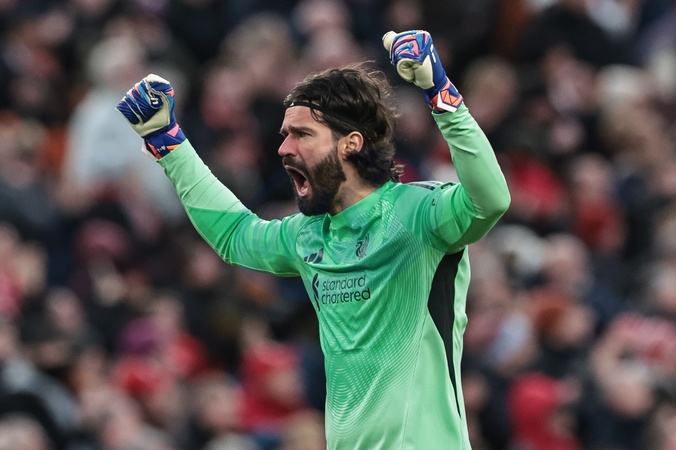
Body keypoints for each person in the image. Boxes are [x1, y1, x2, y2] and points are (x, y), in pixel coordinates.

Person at [116, 29, 510, 450]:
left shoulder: (420, 214)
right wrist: (169, 144)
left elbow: (490, 200)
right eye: (285, 134)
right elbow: (234, 234)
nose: (284, 148)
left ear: (351, 144)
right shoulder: (308, 236)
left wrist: (441, 92)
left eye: (301, 134)